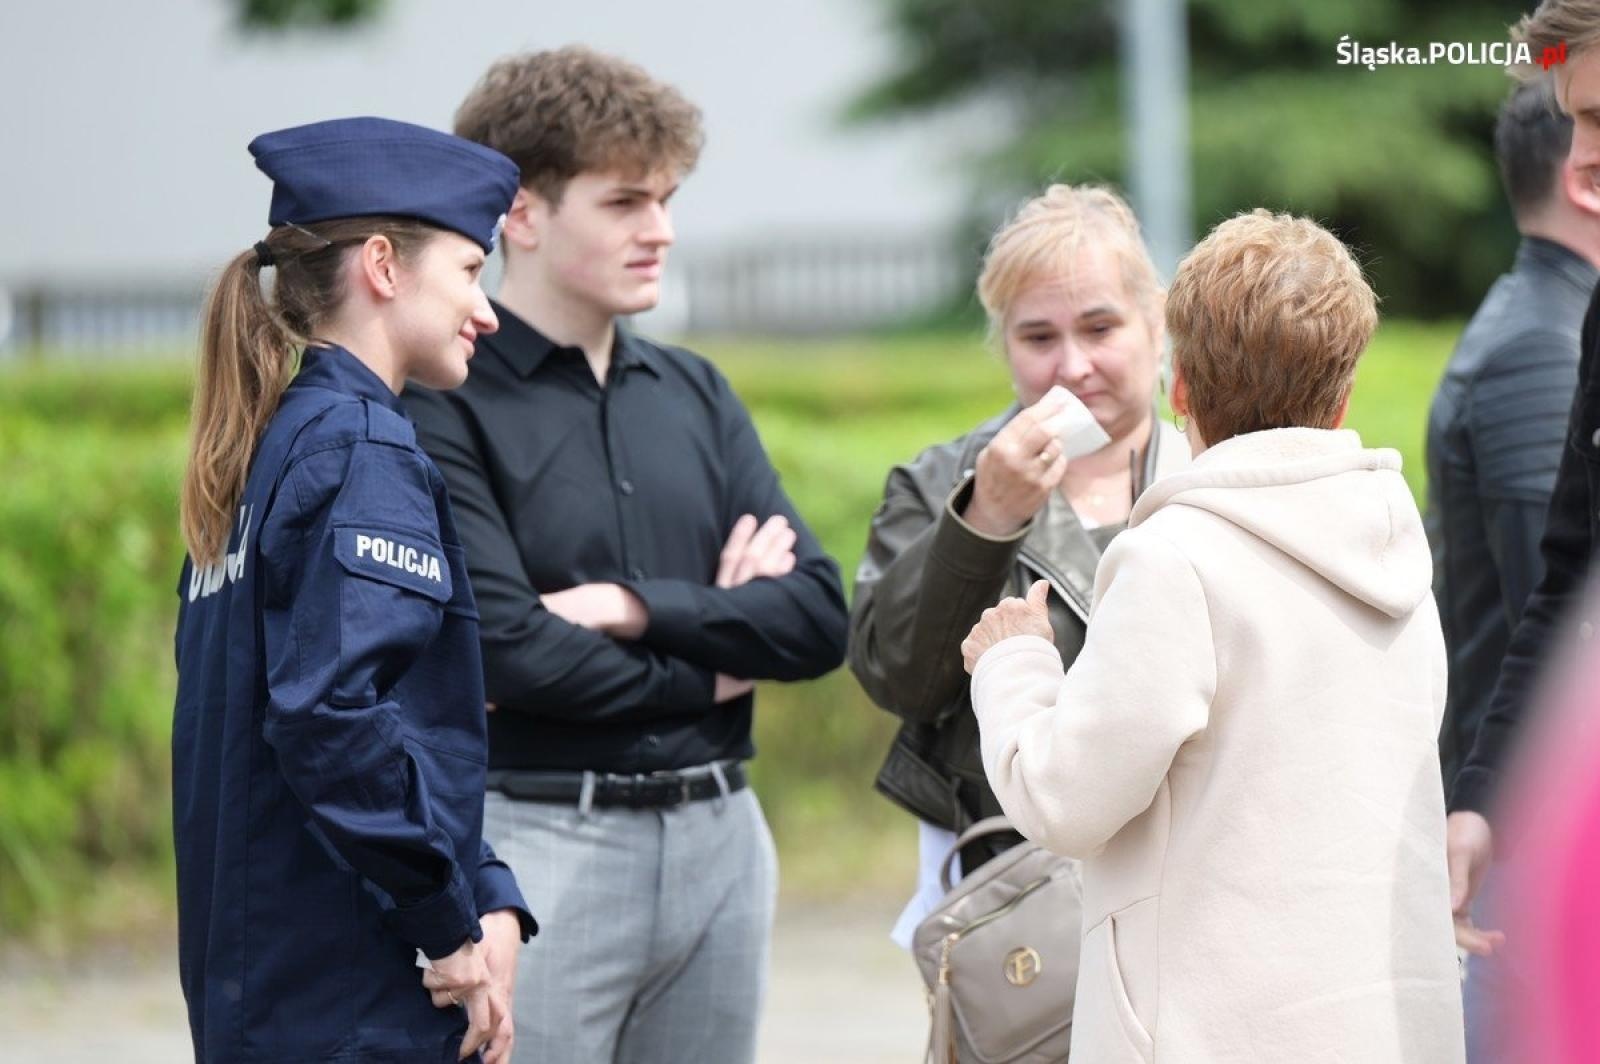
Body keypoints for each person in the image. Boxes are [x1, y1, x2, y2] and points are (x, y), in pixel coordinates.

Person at [404, 47, 849, 1064]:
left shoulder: (697, 391)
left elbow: (820, 618)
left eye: (667, 199)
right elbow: (508, 651)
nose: (662, 230)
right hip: (540, 840)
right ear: (520, 212)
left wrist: (628, 605)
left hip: (724, 837)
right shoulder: (443, 403)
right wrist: (718, 656)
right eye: (625, 202)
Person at [964, 210, 1465, 1062]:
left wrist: (1014, 664)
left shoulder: (1176, 558)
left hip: (1215, 1027)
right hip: (1385, 1021)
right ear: (1344, 394)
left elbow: (1066, 801)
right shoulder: (1395, 552)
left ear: (1181, 388)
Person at [171, 117, 535, 1064]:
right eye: (470, 270)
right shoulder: (361, 449)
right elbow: (332, 719)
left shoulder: (266, 450)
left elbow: (388, 722)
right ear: (382, 265)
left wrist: (485, 887)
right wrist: (447, 925)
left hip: (273, 994)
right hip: (355, 999)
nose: (487, 310)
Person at [847, 183, 1187, 956]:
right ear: (1004, 344)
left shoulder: (1212, 476)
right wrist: (983, 519)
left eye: (1100, 327)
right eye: (1038, 337)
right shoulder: (938, 484)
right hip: (1024, 908)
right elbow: (898, 680)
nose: (1073, 365)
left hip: (1196, 887)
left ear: (1156, 323)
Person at [1425, 74, 1600, 1058]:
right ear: (1581, 177)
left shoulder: (1531, 317)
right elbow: (1565, 600)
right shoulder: (1544, 343)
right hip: (1542, 831)